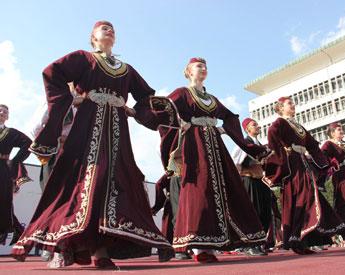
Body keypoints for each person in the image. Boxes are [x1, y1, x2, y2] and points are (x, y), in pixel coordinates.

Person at [12, 21, 172, 269]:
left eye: (112, 28)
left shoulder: (127, 70)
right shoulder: (84, 58)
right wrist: (70, 99)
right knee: (88, 180)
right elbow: (52, 73)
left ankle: (101, 248)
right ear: (93, 37)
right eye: (103, 28)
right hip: (87, 127)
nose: (110, 30)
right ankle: (71, 245)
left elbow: (147, 98)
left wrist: (140, 112)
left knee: (116, 182)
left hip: (118, 132)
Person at [143, 57, 270, 263]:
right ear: (188, 71)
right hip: (195, 144)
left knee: (222, 189)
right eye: (199, 66)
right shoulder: (183, 93)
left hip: (215, 145)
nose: (203, 69)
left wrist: (223, 129)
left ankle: (218, 241)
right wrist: (180, 123)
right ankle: (198, 245)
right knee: (199, 190)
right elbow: (165, 110)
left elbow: (229, 116)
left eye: (205, 66)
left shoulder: (211, 98)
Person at [264, 97, 345, 255]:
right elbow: (272, 136)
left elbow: (313, 145)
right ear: (281, 108)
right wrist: (282, 155)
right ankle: (297, 238)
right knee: (301, 197)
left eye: (293, 103)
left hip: (303, 164)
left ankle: (306, 238)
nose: (293, 105)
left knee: (311, 195)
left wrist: (324, 164)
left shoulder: (298, 126)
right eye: (289, 103)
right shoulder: (280, 123)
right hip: (292, 166)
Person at [232, 118, 272, 256]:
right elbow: (235, 162)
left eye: (257, 124)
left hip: (261, 181)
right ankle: (251, 244)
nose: (258, 126)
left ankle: (260, 242)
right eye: (254, 125)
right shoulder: (243, 143)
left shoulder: (260, 145)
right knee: (254, 211)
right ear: (246, 129)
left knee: (266, 212)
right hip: (249, 180)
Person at [0, 104, 32, 246]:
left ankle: (14, 231)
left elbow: (28, 143)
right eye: (0, 110)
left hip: (2, 169)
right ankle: (18, 231)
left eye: (5, 112)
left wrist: (15, 161)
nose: (2, 112)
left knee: (3, 201)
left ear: (7, 117)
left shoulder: (11, 133)